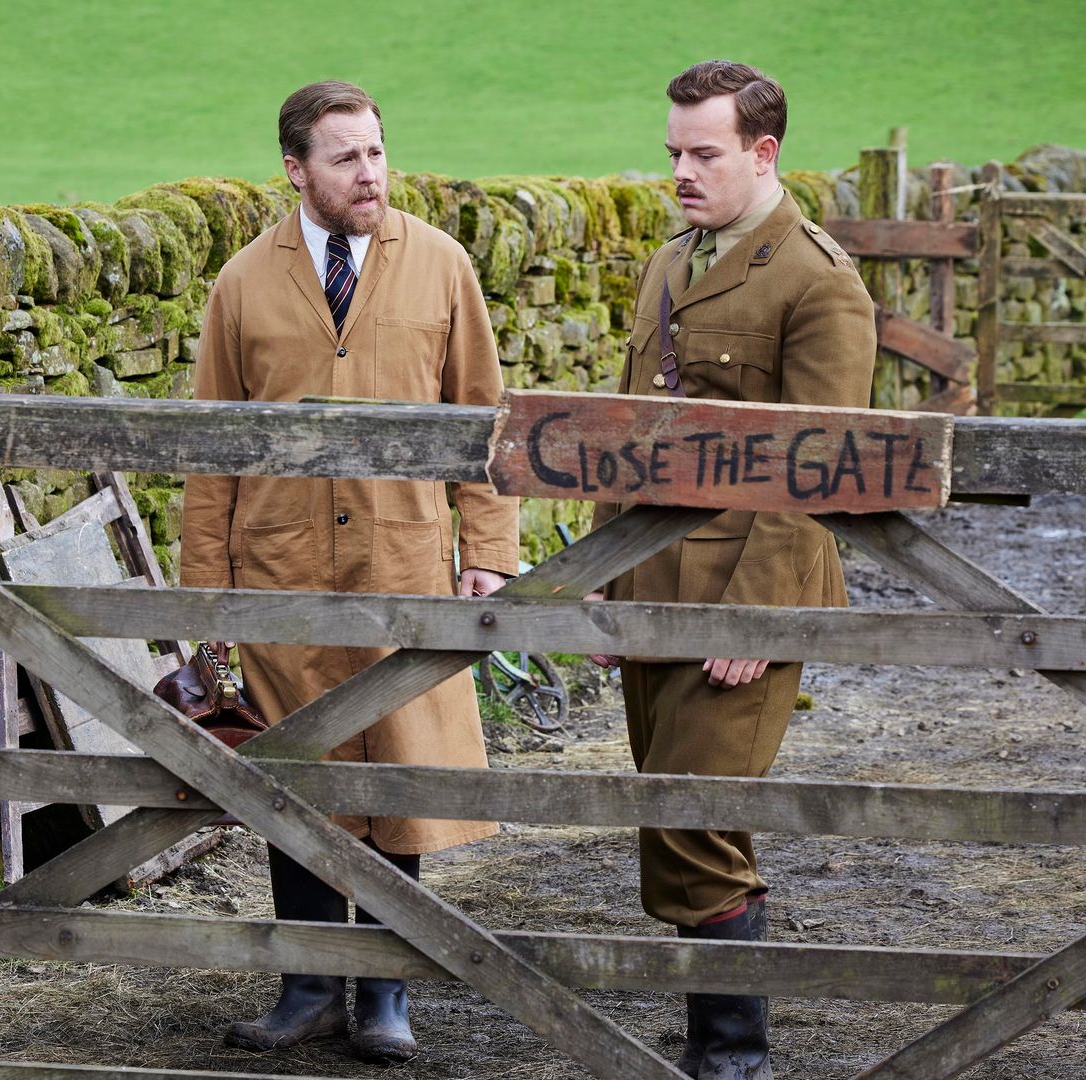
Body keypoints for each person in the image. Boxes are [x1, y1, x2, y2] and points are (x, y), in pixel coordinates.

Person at [178, 80, 519, 1065]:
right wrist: (206, 593)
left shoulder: (443, 267)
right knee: (296, 782)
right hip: (280, 576)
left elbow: (485, 422)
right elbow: (209, 452)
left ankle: (385, 990)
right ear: (296, 168)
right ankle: (307, 986)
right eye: (346, 157)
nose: (370, 173)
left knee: (399, 773)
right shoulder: (241, 284)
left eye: (376, 152)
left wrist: (488, 551)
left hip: (401, 565)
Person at [587, 60, 876, 1080]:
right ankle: (713, 1033)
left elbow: (817, 466)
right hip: (651, 589)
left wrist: (756, 618)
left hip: (746, 599)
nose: (681, 171)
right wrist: (600, 567)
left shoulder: (817, 279)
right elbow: (629, 428)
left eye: (703, 153)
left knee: (697, 822)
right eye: (673, 152)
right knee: (667, 817)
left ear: (764, 153)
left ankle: (734, 1060)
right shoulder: (672, 265)